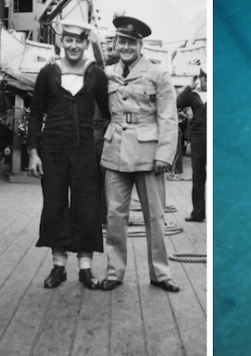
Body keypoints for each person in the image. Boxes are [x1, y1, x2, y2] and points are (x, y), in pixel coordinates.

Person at [99, 15, 180, 293]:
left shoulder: (158, 75)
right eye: (122, 41)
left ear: (140, 45)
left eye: (131, 42)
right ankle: (114, 272)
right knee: (114, 216)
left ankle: (160, 273)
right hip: (116, 151)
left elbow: (169, 118)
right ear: (116, 43)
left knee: (154, 217)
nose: (126, 46)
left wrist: (164, 156)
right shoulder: (106, 73)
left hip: (148, 154)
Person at [27, 19, 109, 290]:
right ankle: (58, 266)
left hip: (85, 151)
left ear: (87, 44)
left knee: (87, 208)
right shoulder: (47, 73)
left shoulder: (96, 74)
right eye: (69, 40)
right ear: (61, 41)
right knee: (55, 205)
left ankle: (85, 269)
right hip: (52, 152)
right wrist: (33, 152)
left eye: (79, 41)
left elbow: (109, 113)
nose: (73, 45)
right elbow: (36, 113)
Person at [177, 69, 207, 222]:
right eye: (205, 78)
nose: (207, 82)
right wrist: (189, 86)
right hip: (198, 139)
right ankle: (198, 213)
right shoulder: (193, 95)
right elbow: (178, 103)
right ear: (200, 78)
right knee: (198, 177)